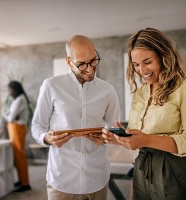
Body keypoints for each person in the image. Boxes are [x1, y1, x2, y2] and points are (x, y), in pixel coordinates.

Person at [102, 28, 186, 200]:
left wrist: (146, 140)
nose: (141, 70)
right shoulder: (141, 92)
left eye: (147, 62)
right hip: (143, 169)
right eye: (136, 64)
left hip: (177, 171)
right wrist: (120, 139)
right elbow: (141, 136)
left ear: (164, 57)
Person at [32, 35, 120, 200]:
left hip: (97, 177)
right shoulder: (51, 86)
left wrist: (108, 137)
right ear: (68, 62)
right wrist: (47, 138)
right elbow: (37, 125)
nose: (89, 68)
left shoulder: (108, 90)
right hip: (62, 179)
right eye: (81, 64)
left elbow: (114, 128)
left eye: (93, 60)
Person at [3, 81, 32, 192]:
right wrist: (9, 115)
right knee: (17, 155)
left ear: (15, 89)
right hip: (15, 128)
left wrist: (8, 115)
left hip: (17, 128)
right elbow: (9, 115)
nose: (9, 92)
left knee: (20, 155)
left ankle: (25, 183)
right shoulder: (18, 100)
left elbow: (9, 117)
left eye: (10, 90)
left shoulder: (19, 99)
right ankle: (21, 181)